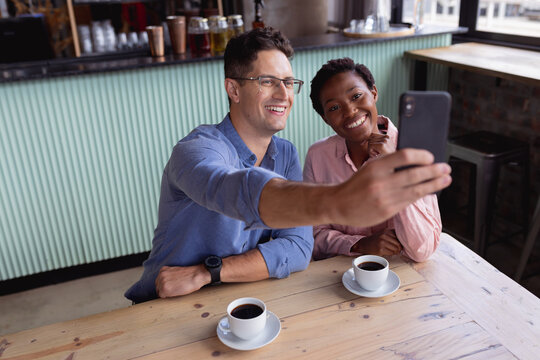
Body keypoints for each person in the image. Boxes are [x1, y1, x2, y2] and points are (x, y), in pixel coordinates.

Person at [125, 29, 451, 303]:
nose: (283, 94)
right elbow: (230, 188)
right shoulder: (195, 150)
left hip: (243, 296)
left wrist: (208, 272)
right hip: (166, 300)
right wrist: (338, 200)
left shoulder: (286, 154)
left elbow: (298, 248)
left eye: (288, 82)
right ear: (233, 89)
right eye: (268, 81)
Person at [304, 57, 442, 262]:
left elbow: (422, 249)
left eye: (357, 96)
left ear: (374, 93)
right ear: (325, 118)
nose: (350, 111)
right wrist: (359, 244)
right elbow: (311, 235)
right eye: (334, 108)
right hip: (338, 275)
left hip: (403, 274)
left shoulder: (413, 151)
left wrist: (396, 167)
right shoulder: (318, 156)